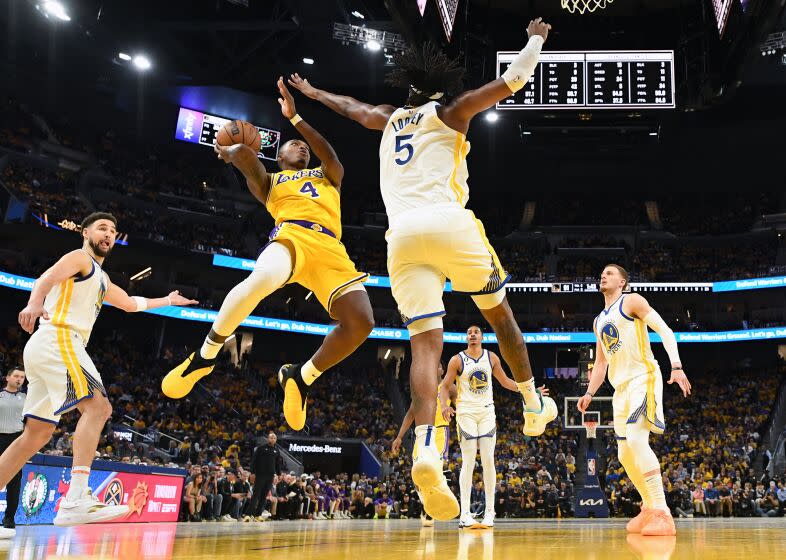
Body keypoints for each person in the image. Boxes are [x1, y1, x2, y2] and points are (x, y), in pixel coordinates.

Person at [288, 18, 558, 520]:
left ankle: (427, 449)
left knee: (425, 344)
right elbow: (512, 81)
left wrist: (313, 92)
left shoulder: (390, 119)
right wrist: (536, 38)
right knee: (501, 319)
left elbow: (353, 109)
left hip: (401, 238)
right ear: (440, 90)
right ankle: (531, 404)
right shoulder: (452, 111)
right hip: (448, 223)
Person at [162, 77, 375, 434]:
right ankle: (205, 356)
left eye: (302, 146)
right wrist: (231, 152)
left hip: (331, 250)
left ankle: (301, 377)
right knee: (261, 279)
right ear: (279, 157)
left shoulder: (327, 176)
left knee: (362, 323)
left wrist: (295, 119)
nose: (301, 148)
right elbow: (248, 161)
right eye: (293, 146)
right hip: (292, 235)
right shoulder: (271, 182)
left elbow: (331, 154)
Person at [10, 212, 196, 529]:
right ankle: (76, 499)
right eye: (101, 228)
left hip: (47, 347)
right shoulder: (79, 258)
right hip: (59, 338)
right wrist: (33, 302)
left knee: (35, 435)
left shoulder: (101, 277)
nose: (108, 233)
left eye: (112, 230)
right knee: (99, 407)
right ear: (86, 232)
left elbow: (129, 303)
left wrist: (168, 299)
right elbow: (47, 278)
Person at [578, 264, 692, 536]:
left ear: (623, 282)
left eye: (609, 273)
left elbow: (664, 330)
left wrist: (675, 366)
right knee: (624, 453)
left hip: (644, 377)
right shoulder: (598, 321)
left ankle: (663, 512)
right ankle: (649, 507)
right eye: (601, 272)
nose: (603, 275)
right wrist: (589, 392)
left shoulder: (632, 301)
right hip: (621, 389)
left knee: (638, 440)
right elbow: (602, 362)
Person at [439, 325, 545, 528]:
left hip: (487, 411)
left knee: (488, 460)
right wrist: (444, 405)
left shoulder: (491, 357)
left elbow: (505, 381)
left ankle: (490, 512)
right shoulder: (457, 359)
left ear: (482, 337)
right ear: (466, 338)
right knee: (468, 461)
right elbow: (444, 386)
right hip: (466, 412)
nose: (472, 335)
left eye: (476, 332)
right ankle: (465, 514)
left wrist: (530, 391)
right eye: (469, 333)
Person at [391, 361, 455, 527]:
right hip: (422, 432)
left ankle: (430, 512)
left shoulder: (450, 388)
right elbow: (411, 414)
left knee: (434, 468)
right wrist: (399, 437)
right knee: (418, 472)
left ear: (442, 370)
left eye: (438, 365)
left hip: (440, 431)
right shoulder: (422, 390)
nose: (434, 367)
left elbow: (463, 407)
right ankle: (426, 504)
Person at [0, 366, 26, 537]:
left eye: (22, 377)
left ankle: (9, 518)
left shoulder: (26, 398)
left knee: (14, 481)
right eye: (16, 376)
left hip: (17, 439)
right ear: (7, 378)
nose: (19, 379)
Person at [247, 431, 281, 520]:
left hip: (270, 476)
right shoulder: (261, 448)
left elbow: (277, 464)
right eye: (271, 437)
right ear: (268, 439)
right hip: (260, 474)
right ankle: (248, 514)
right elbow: (254, 460)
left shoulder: (276, 451)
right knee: (256, 494)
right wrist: (252, 472)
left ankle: (258, 515)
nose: (272, 439)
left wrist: (279, 474)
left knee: (264, 496)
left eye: (274, 438)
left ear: (276, 440)